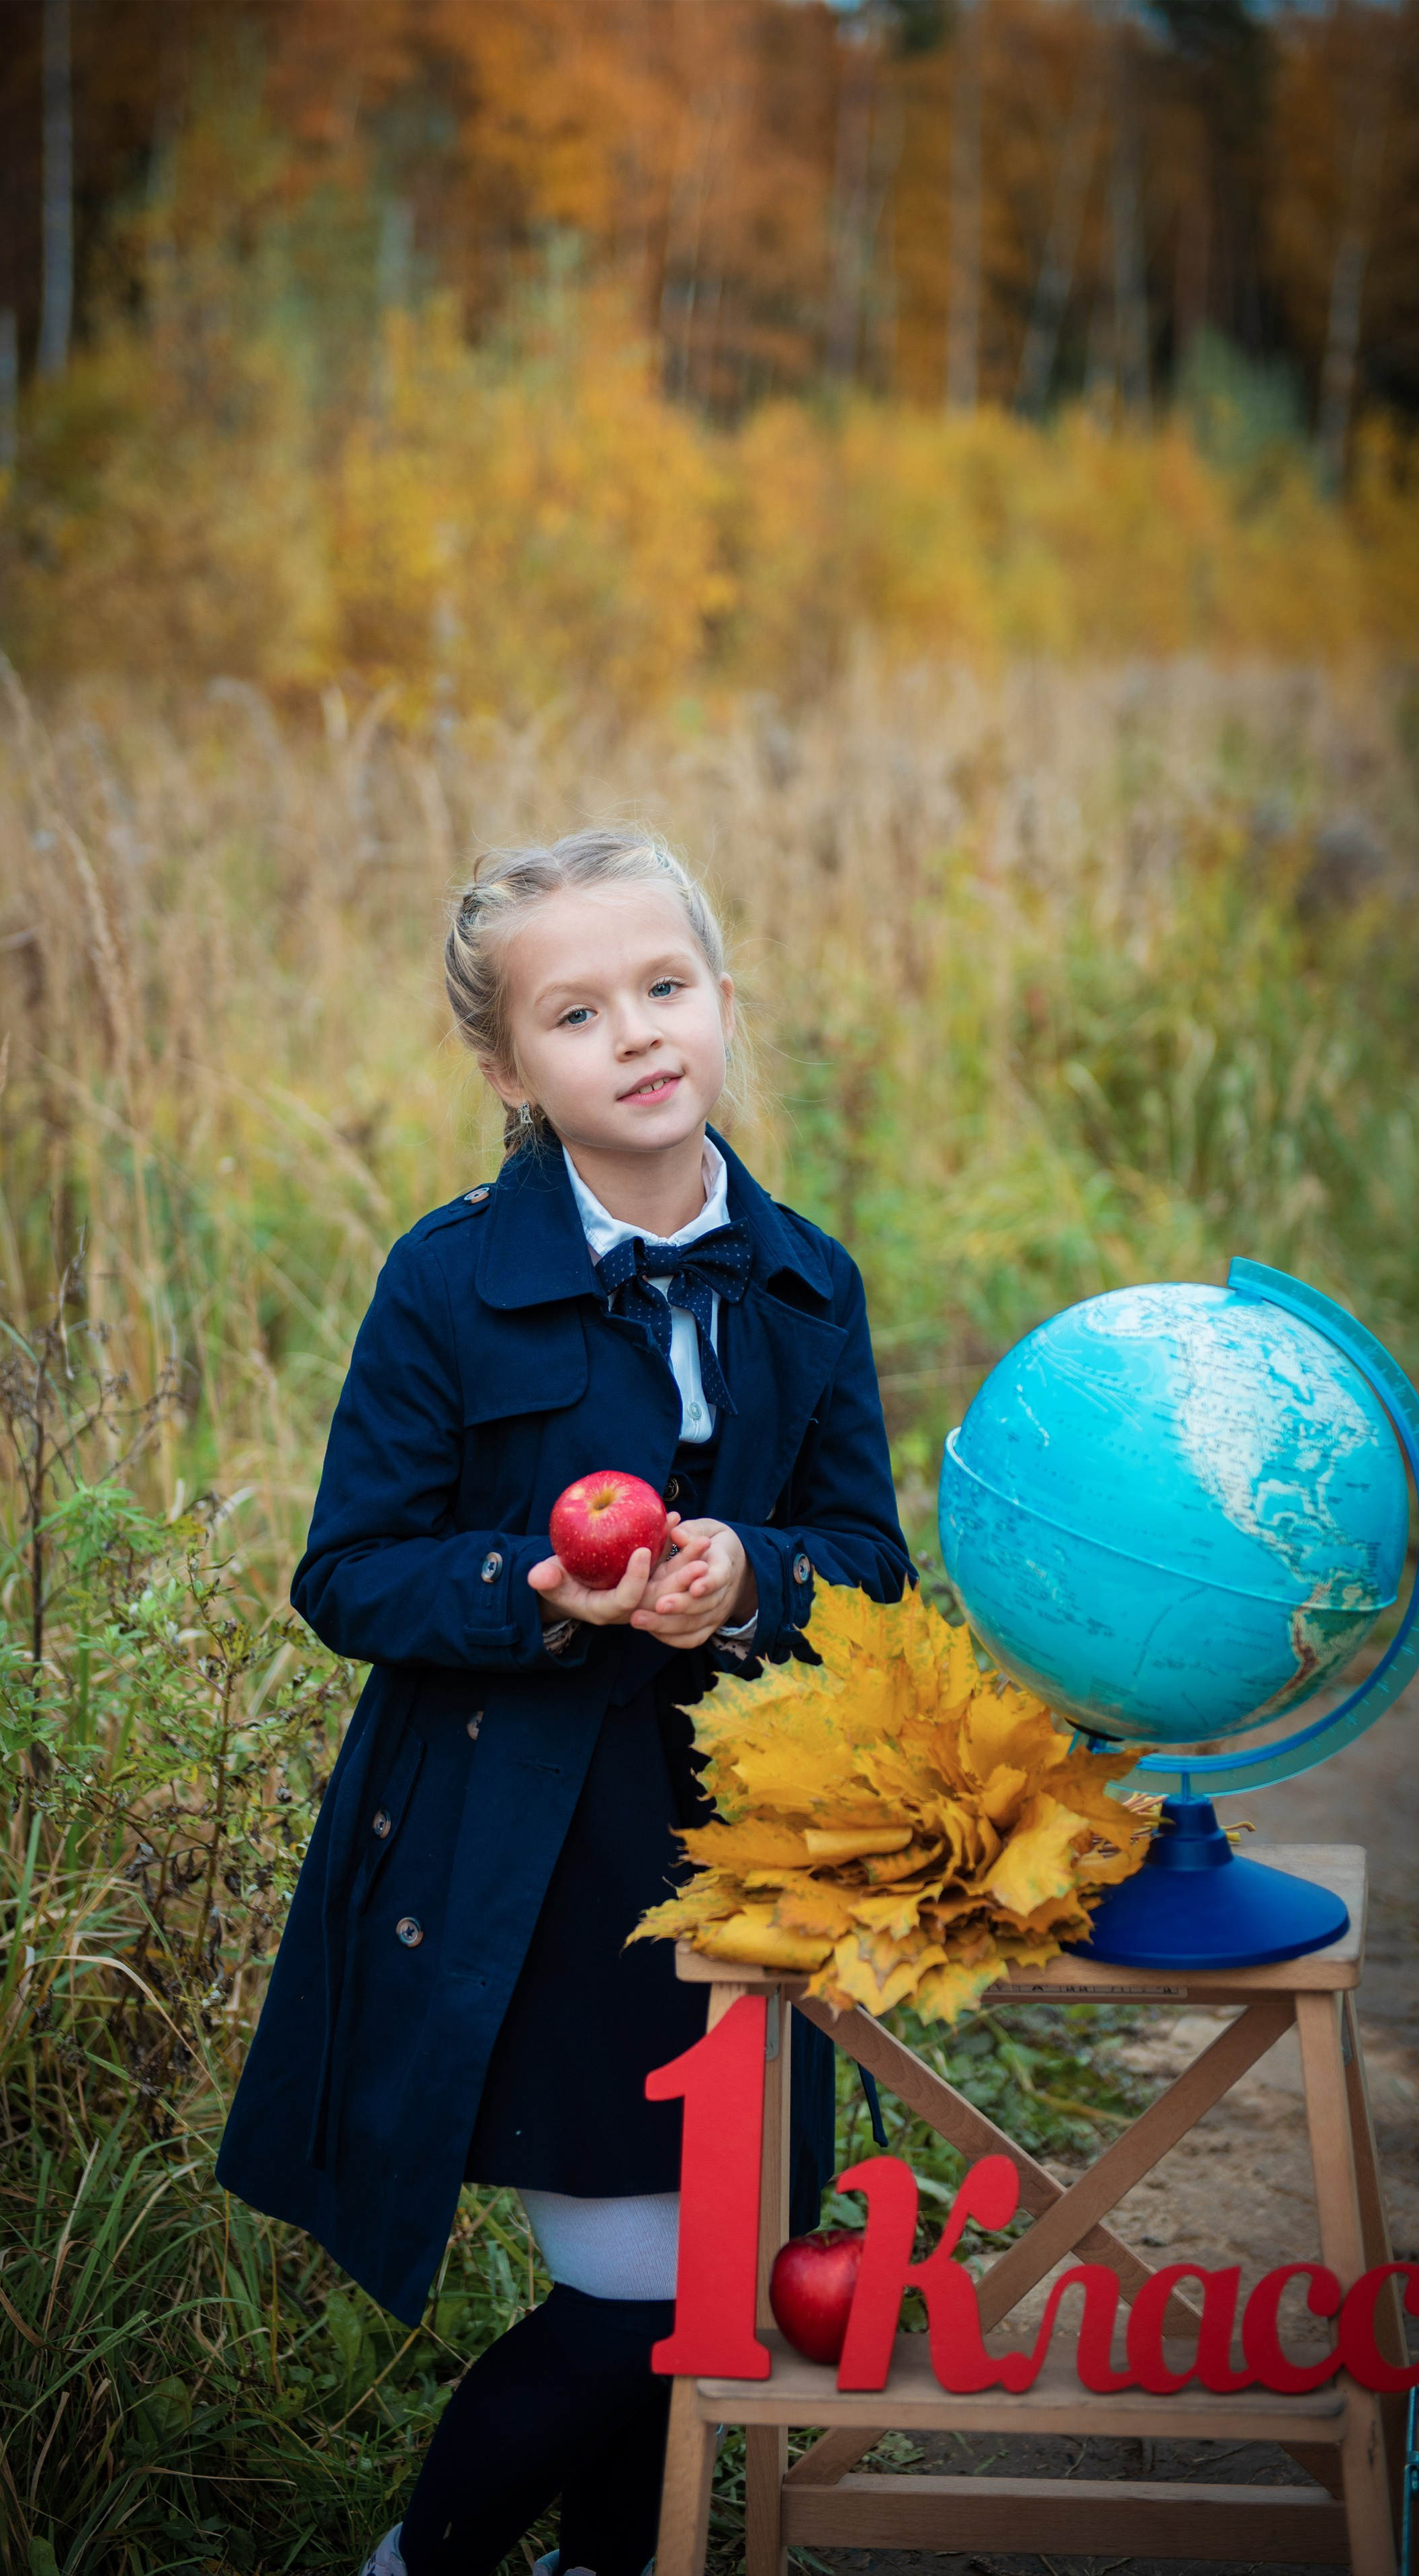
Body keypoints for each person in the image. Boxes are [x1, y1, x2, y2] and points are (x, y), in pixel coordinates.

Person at [216, 828, 912, 2576]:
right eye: (579, 1009)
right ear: (508, 1066)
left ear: (724, 1003)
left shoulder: (808, 1282)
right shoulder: (448, 1280)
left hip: (747, 1841)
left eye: (665, 989)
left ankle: (611, 2559)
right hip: (530, 1854)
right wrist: (527, 1586)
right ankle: (429, 2557)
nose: (637, 1034)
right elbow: (351, 1569)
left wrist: (749, 1571)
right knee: (638, 2284)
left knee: (722, 2254)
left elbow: (870, 1565)